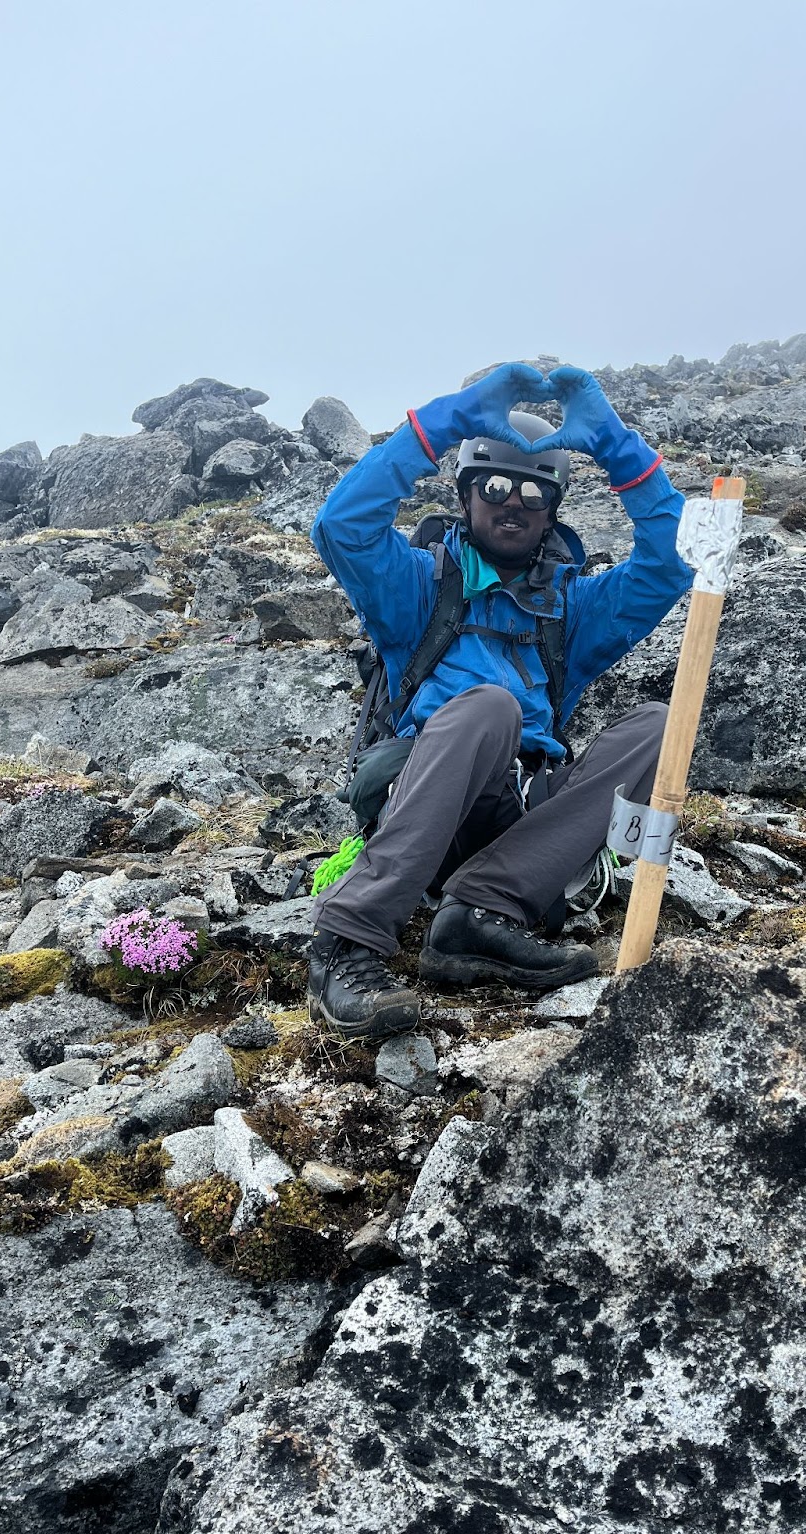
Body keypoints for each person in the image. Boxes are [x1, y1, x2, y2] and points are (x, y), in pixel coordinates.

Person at [306, 361, 693, 1039]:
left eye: (534, 494)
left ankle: (480, 917)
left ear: (552, 512)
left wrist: (614, 444)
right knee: (491, 706)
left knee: (664, 725)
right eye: (494, 485)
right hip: (424, 800)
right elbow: (342, 527)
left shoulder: (571, 607)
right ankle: (347, 939)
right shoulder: (416, 587)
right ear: (464, 495)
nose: (513, 502)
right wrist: (446, 421)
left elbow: (671, 560)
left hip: (523, 828)